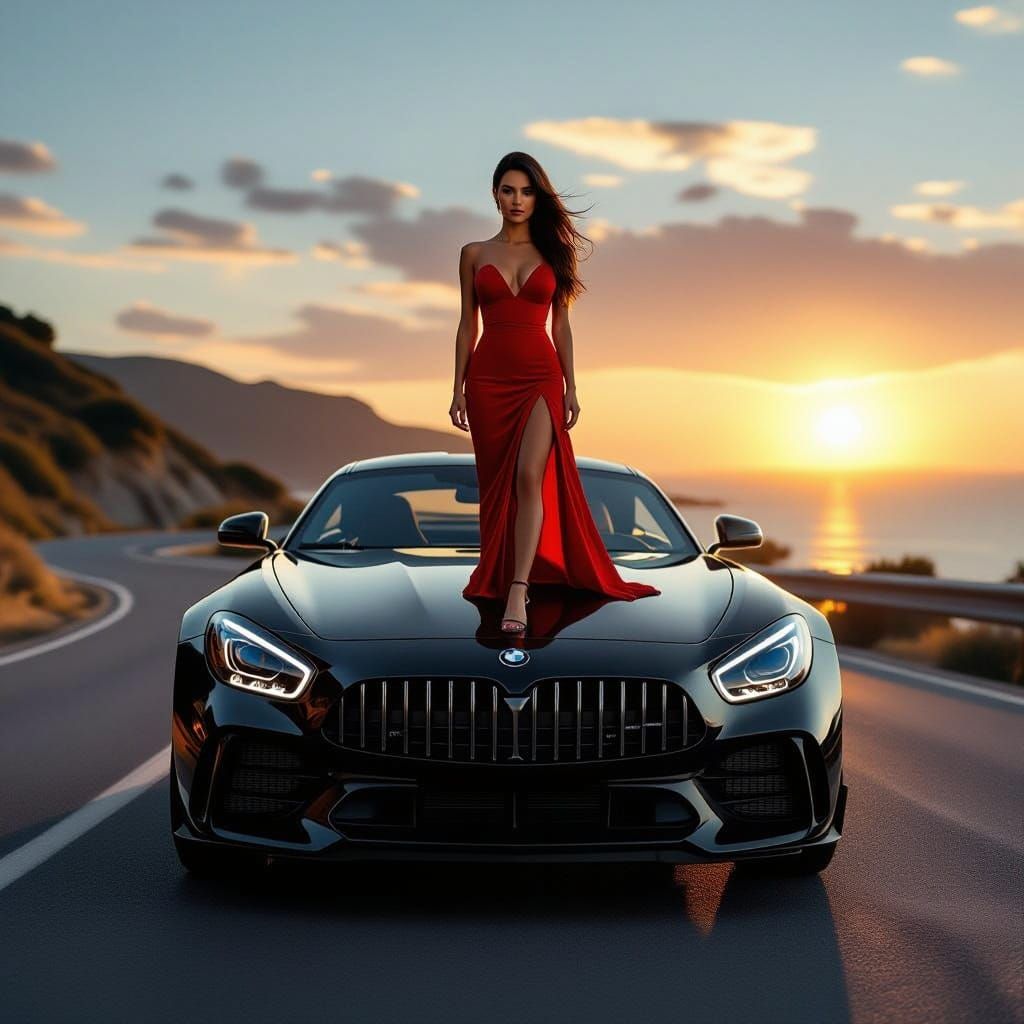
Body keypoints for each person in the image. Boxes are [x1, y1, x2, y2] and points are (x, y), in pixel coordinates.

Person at [450, 152, 660, 635]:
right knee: (496, 487)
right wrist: (457, 387)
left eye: (526, 191)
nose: (517, 200)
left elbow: (561, 325)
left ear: (537, 197)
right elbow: (466, 324)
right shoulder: (473, 253)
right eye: (508, 190)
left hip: (540, 379)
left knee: (529, 476)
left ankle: (518, 589)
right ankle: (497, 572)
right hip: (487, 380)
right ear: (495, 195)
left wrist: (571, 386)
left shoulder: (555, 254)